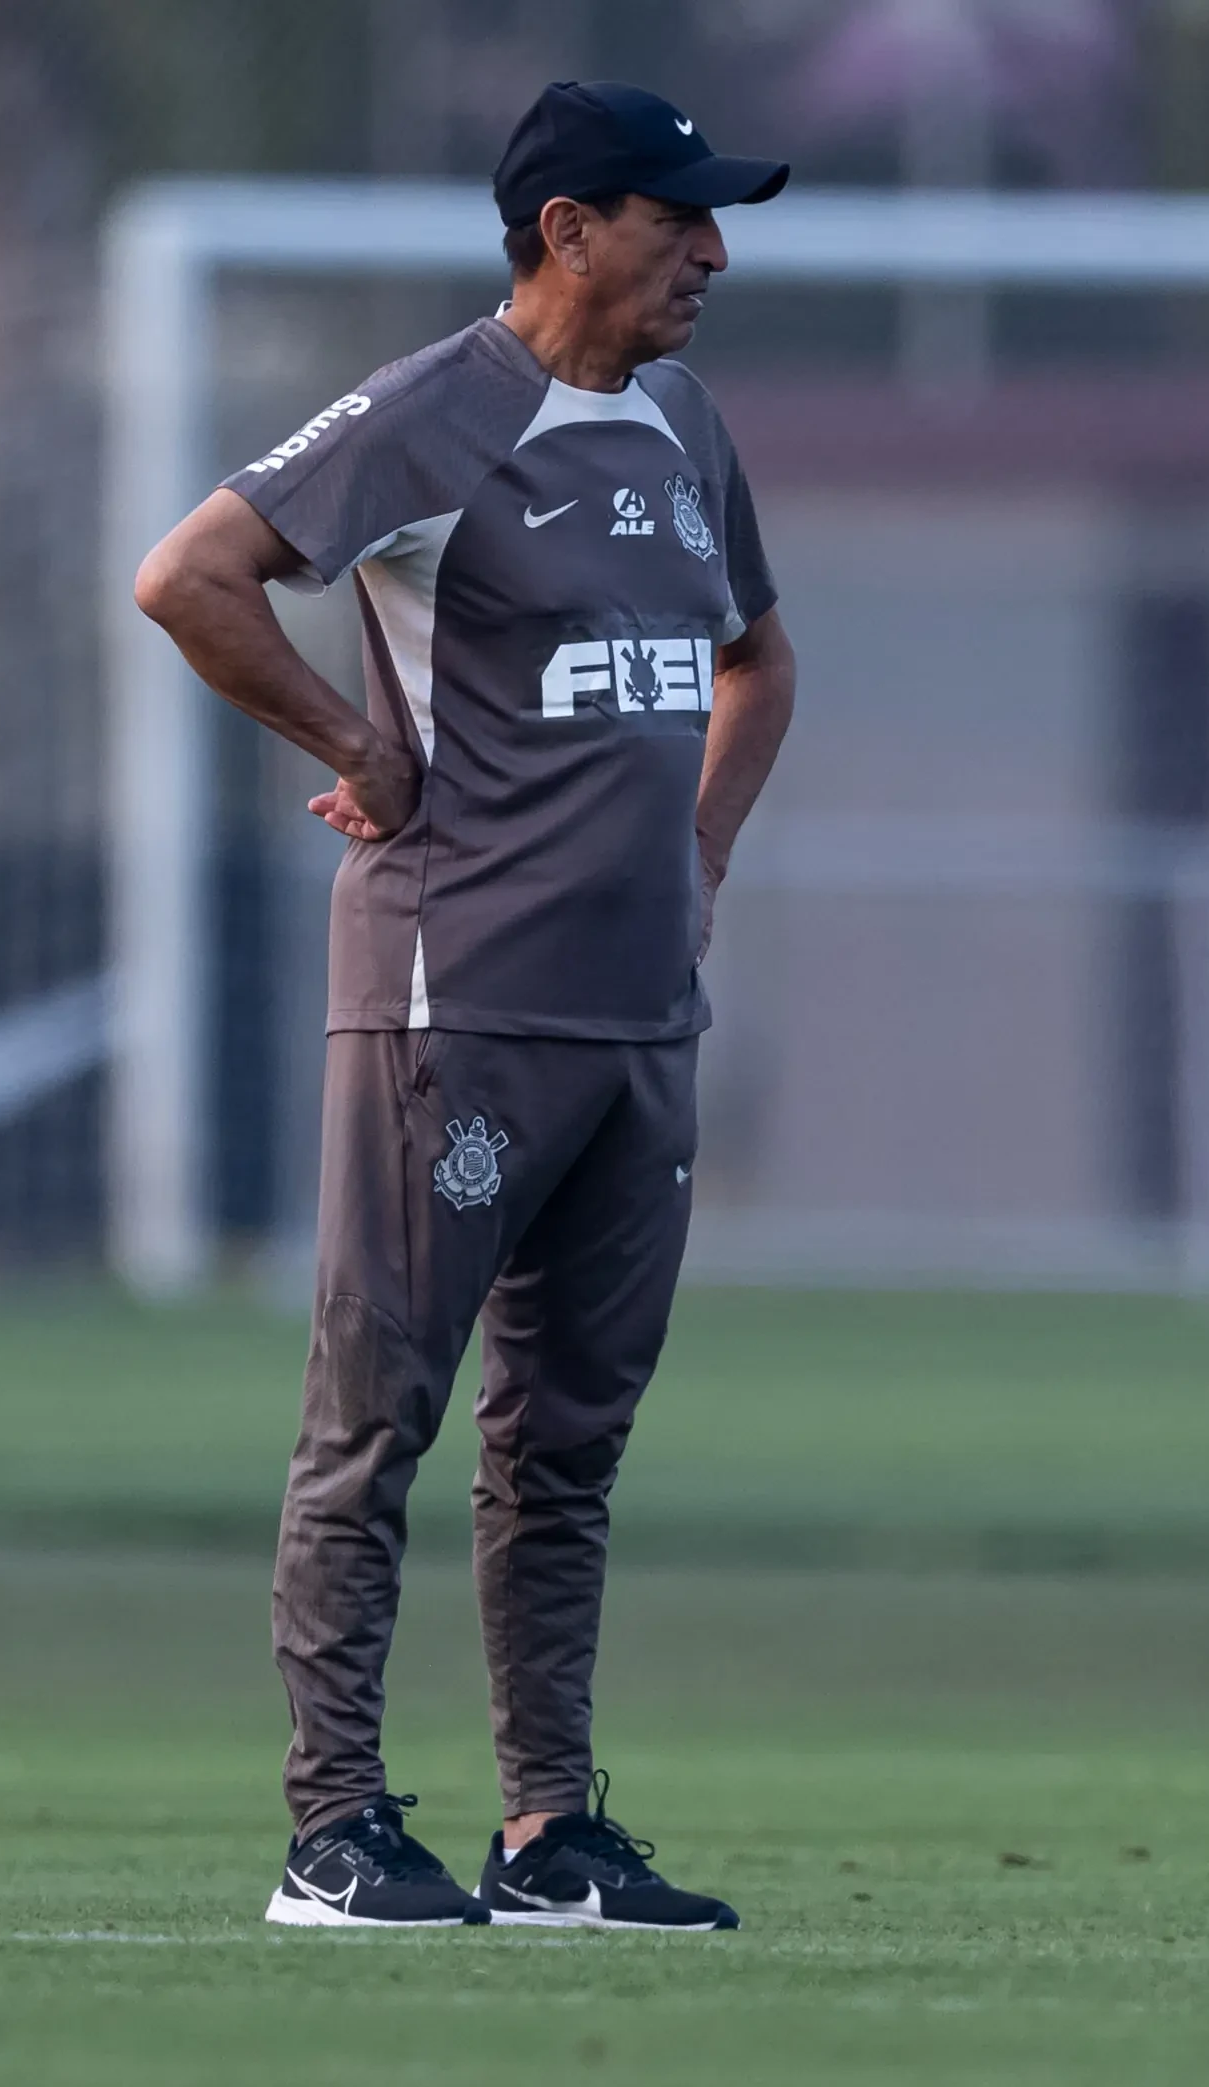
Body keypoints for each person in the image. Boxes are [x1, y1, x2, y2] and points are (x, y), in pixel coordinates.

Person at [135, 81, 800, 1930]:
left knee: (569, 1444)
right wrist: (360, 739)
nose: (716, 253)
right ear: (567, 228)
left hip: (639, 1023)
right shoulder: (443, 410)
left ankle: (545, 1834)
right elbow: (187, 578)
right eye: (682, 219)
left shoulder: (682, 419)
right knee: (379, 1415)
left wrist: (702, 866)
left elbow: (759, 666)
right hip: (455, 1002)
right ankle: (332, 1826)